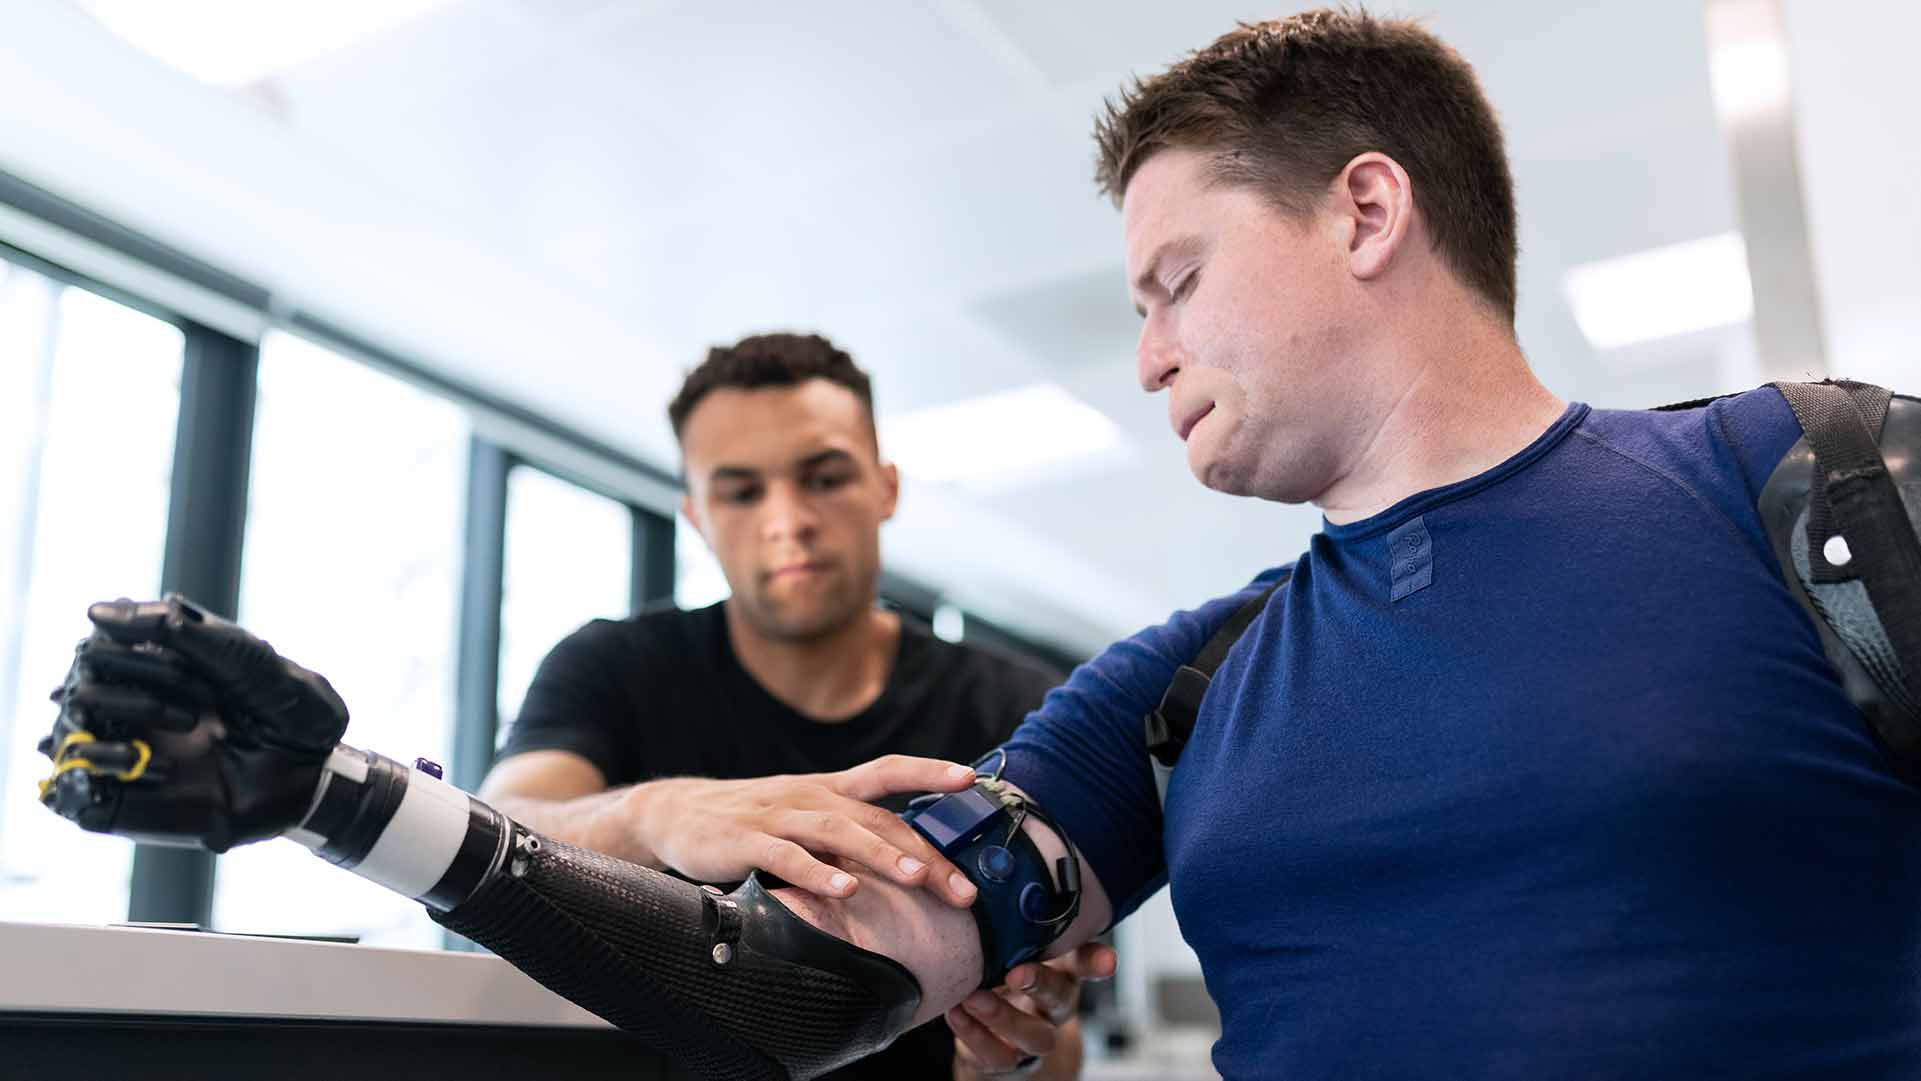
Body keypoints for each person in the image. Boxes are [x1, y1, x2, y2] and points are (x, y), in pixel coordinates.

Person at [38, 10, 1921, 1081]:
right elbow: (796, 987)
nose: (1148, 347)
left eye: (1177, 276)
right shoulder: (1178, 692)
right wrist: (345, 796)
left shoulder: (1815, 487)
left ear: (1366, 211)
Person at [474, 332, 1110, 1080]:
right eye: (741, 491)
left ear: (885, 487)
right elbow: (505, 824)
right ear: (697, 517)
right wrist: (659, 814)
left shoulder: (1020, 706)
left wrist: (1011, 1052)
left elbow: (1057, 1044)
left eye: (824, 477)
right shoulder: (613, 667)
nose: (787, 520)